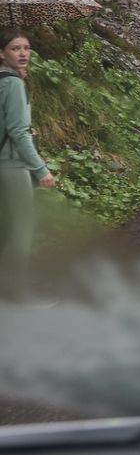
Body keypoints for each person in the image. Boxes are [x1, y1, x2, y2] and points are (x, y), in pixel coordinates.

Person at [0, 29, 57, 302]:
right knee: (20, 229)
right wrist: (40, 168)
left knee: (6, 229)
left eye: (26, 47)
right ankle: (15, 294)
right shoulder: (11, 84)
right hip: (12, 165)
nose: (23, 53)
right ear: (1, 53)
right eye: (15, 48)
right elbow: (17, 131)